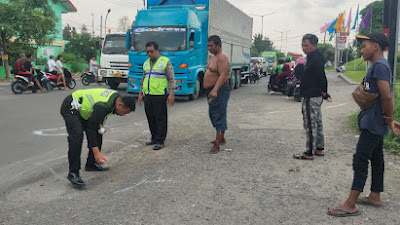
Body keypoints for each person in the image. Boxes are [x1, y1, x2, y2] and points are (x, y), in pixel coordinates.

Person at [328, 32, 400, 217]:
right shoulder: (377, 66)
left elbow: (386, 95)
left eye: (365, 45)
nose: (362, 49)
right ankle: (375, 195)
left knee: (360, 159)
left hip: (373, 123)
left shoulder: (380, 67)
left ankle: (350, 203)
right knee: (376, 158)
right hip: (374, 121)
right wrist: (389, 119)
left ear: (376, 46)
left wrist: (389, 118)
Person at [60, 88, 136, 188]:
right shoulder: (104, 106)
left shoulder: (115, 99)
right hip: (72, 106)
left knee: (98, 131)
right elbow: (90, 129)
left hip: (85, 110)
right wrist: (97, 153)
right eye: (125, 112)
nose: (124, 115)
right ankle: (73, 173)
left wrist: (99, 124)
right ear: (120, 105)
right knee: (77, 136)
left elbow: (98, 116)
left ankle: (91, 164)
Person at [293, 34, 332, 160]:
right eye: (302, 45)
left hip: (311, 95)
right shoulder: (314, 57)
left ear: (314, 46)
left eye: (306, 45)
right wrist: (324, 93)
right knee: (317, 122)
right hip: (315, 94)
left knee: (310, 123)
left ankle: (309, 152)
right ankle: (319, 148)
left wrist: (325, 92)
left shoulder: (314, 59)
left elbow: (321, 76)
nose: (304, 48)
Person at [138, 42, 175, 151]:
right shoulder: (145, 63)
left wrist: (171, 94)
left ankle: (160, 140)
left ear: (157, 50)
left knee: (160, 118)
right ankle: (154, 138)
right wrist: (140, 94)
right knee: (150, 117)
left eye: (151, 51)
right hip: (148, 95)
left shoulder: (165, 62)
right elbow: (143, 79)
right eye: (147, 51)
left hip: (160, 95)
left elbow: (171, 78)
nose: (149, 53)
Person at [203, 35, 230, 154]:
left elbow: (223, 75)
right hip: (211, 89)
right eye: (208, 45)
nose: (209, 48)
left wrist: (215, 90)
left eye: (211, 45)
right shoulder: (214, 57)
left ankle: (217, 144)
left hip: (219, 90)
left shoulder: (222, 57)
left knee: (218, 114)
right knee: (214, 114)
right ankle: (221, 137)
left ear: (218, 45)